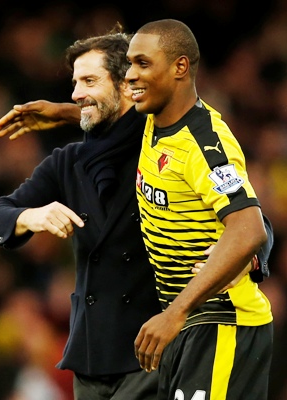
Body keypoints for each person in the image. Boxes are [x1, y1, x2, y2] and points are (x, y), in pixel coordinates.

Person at [0, 26, 163, 400]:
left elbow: (247, 216)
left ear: (128, 84)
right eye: (75, 82)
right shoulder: (69, 161)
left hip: (152, 354)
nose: (76, 93)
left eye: (89, 80)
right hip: (90, 358)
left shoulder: (168, 150)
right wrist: (30, 217)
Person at [126, 19, 273, 399]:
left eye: (142, 63)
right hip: (187, 324)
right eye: (129, 64)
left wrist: (175, 312)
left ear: (179, 67)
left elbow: (250, 228)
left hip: (223, 322)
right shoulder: (152, 120)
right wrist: (61, 111)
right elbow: (106, 109)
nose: (130, 75)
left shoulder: (205, 143)